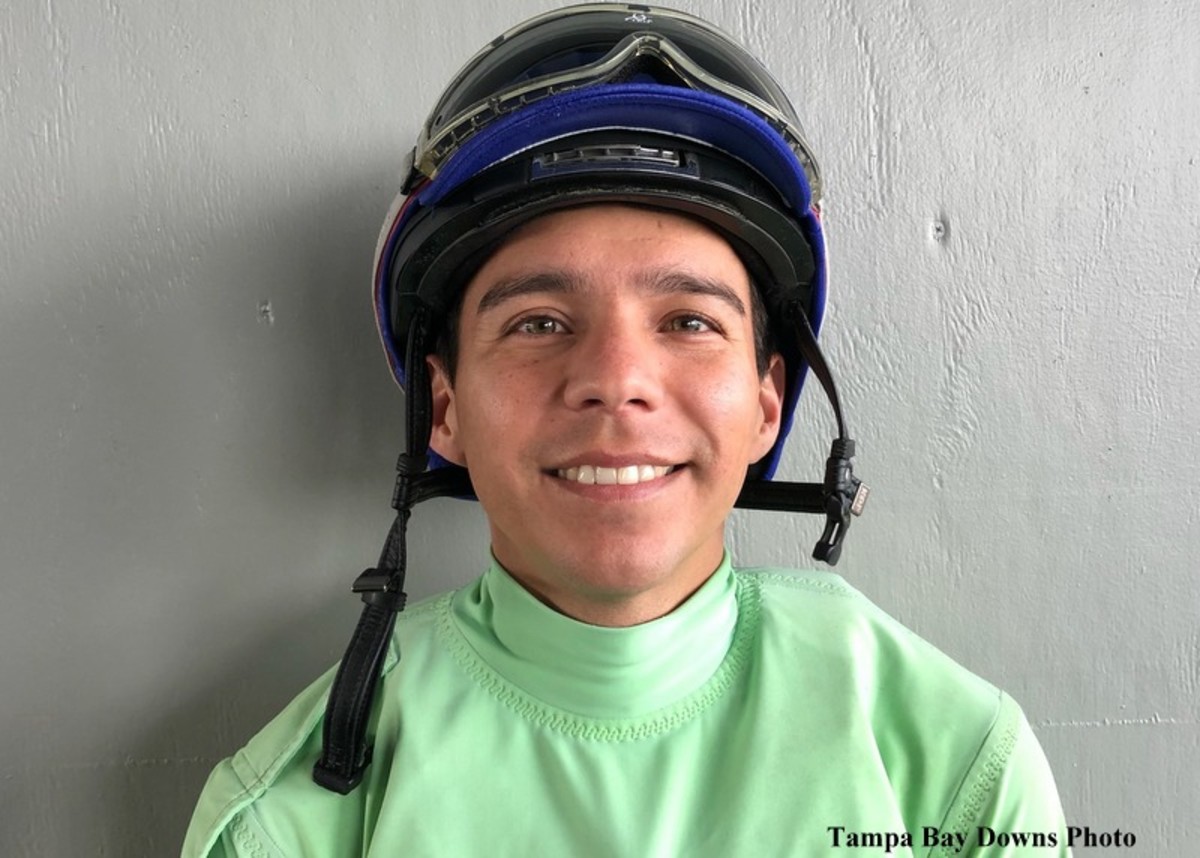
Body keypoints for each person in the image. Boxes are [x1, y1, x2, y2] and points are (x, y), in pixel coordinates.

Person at [183, 4, 1070, 855]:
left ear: (767, 405)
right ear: (443, 409)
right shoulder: (290, 822)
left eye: (688, 321)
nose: (615, 382)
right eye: (538, 322)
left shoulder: (955, 771)